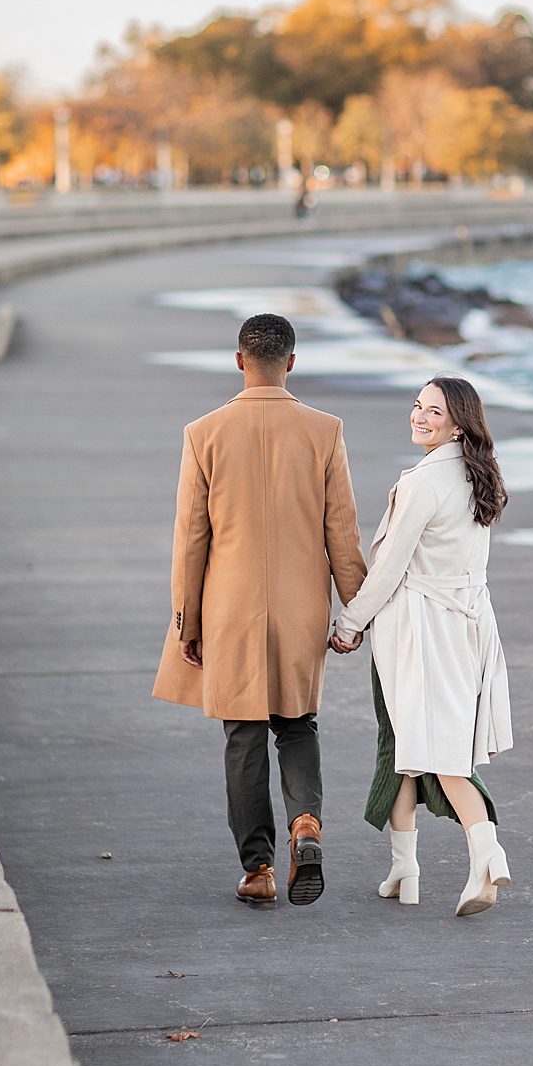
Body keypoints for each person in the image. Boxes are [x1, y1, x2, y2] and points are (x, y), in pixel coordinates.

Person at [152, 313, 368, 908]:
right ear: (292, 363)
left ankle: (258, 870)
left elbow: (192, 538)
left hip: (230, 612)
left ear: (240, 360)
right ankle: (306, 823)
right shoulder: (324, 431)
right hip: (301, 610)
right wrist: (358, 613)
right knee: (297, 725)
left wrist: (186, 621)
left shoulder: (205, 433)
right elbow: (342, 535)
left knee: (243, 735)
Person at [330, 375, 514, 917]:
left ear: (459, 422)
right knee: (408, 746)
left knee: (437, 751)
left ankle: (487, 850)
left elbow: (389, 567)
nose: (419, 416)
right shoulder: (478, 476)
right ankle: (403, 868)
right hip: (466, 626)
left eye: (433, 411)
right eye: (417, 406)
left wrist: (349, 622)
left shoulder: (423, 482)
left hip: (418, 632)